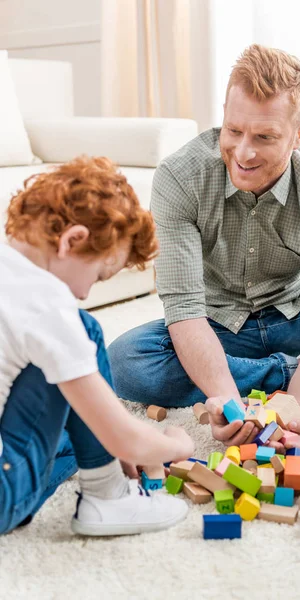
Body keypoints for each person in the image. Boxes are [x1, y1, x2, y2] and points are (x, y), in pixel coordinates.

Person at [108, 45, 300, 451]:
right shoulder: (180, 178)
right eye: (233, 130)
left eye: (264, 137)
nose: (243, 153)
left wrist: (295, 414)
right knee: (123, 363)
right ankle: (293, 374)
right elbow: (186, 313)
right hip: (217, 327)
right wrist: (228, 406)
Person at [0, 156, 194, 537]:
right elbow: (125, 440)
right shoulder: (48, 305)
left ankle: (95, 466)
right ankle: (108, 498)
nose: (86, 292)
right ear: (72, 240)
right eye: (98, 275)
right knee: (84, 330)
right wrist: (174, 442)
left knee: (76, 437)